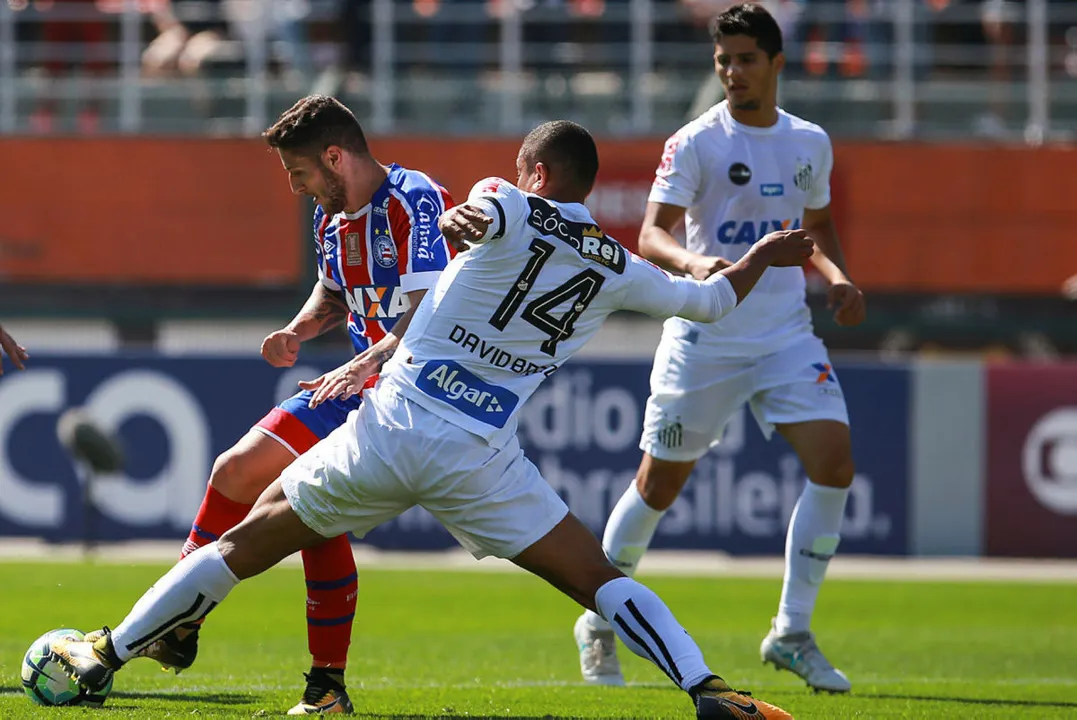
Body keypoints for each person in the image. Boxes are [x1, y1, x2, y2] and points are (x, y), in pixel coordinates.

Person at [50, 120, 811, 719]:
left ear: (536, 173)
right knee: (595, 578)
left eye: (521, 170)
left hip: (394, 423)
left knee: (248, 536)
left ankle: (105, 657)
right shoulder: (619, 267)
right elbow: (710, 302)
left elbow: (483, 210)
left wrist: (472, 221)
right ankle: (709, 689)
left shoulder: (506, 201)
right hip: (482, 456)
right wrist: (760, 257)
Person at [104, 93, 456, 715]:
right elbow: (333, 291)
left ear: (333, 156)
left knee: (309, 515)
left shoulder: (413, 199)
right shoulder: (332, 214)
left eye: (298, 172)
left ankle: (323, 685)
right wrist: (298, 330)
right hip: (349, 387)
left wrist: (368, 360)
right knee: (234, 471)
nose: (295, 188)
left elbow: (432, 309)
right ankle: (181, 623)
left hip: (408, 396)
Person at [572, 2, 864, 694]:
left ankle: (790, 631)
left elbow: (815, 225)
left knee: (834, 463)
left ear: (775, 62)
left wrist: (836, 277)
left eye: (745, 59)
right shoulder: (695, 141)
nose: (732, 72)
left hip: (785, 334)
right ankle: (600, 618)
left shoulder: (807, 142)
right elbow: (651, 235)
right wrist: (693, 266)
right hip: (705, 333)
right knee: (657, 485)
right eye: (722, 61)